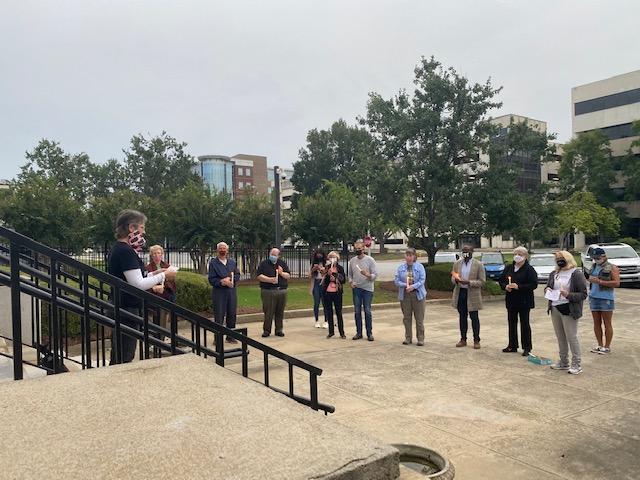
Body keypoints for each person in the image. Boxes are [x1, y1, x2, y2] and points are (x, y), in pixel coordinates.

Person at [108, 209, 177, 364]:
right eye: (142, 228)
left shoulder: (121, 249)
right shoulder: (125, 251)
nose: (144, 232)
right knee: (124, 355)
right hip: (126, 308)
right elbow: (137, 284)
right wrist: (164, 276)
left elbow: (139, 277)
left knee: (122, 353)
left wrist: (157, 273)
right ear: (131, 228)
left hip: (123, 306)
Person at [545, 250, 588, 375]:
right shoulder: (554, 273)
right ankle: (563, 361)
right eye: (557, 258)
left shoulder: (576, 273)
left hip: (569, 308)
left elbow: (583, 294)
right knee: (560, 337)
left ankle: (577, 364)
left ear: (568, 258)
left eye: (561, 257)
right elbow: (549, 286)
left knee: (571, 337)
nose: (559, 260)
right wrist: (547, 289)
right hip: (555, 307)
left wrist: (568, 295)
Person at [499, 246, 538, 356]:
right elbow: (501, 280)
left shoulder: (529, 269)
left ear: (525, 256)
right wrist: (505, 286)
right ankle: (512, 345)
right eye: (515, 254)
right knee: (511, 322)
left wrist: (519, 286)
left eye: (520, 254)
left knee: (524, 323)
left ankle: (527, 347)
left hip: (524, 300)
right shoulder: (509, 268)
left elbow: (533, 284)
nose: (517, 256)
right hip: (511, 300)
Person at [586, 247, 620, 355]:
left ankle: (607, 346)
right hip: (593, 297)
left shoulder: (612, 267)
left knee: (607, 323)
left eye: (598, 258)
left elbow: (616, 283)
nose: (596, 260)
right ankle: (600, 345)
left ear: (604, 256)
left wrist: (600, 281)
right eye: (594, 258)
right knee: (596, 323)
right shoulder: (593, 266)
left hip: (606, 298)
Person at [451, 244, 485, 349]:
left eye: (468, 251)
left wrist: (469, 282)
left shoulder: (478, 264)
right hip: (461, 292)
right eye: (464, 251)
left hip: (472, 294)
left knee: (474, 318)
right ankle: (463, 339)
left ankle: (476, 340)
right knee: (462, 317)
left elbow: (482, 281)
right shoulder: (457, 264)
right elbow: (453, 278)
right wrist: (455, 280)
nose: (465, 253)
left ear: (472, 252)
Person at [208, 242, 241, 344]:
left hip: (231, 292)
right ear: (217, 251)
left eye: (224, 249)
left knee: (232, 314)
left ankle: (230, 336)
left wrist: (231, 280)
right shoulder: (213, 263)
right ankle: (217, 338)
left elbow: (237, 275)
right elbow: (211, 279)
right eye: (220, 249)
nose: (222, 250)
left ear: (227, 251)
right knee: (219, 315)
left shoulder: (232, 262)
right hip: (219, 293)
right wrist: (222, 282)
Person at [394, 248, 427, 346]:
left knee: (419, 318)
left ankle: (420, 338)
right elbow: (396, 281)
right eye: (407, 255)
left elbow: (422, 280)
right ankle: (408, 337)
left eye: (411, 255)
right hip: (405, 295)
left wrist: (413, 286)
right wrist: (405, 285)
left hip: (418, 295)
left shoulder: (420, 267)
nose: (408, 257)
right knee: (407, 318)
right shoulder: (400, 268)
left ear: (414, 256)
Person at [257, 248, 291, 337]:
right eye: (272, 254)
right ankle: (267, 330)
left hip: (281, 290)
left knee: (280, 311)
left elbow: (288, 276)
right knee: (268, 312)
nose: (273, 256)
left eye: (275, 255)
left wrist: (281, 273)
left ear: (278, 256)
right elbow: (259, 276)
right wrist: (269, 280)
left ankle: (279, 330)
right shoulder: (264, 263)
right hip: (268, 291)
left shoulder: (282, 263)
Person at [146, 245, 177, 341]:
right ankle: (156, 341)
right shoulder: (148, 267)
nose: (156, 255)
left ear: (162, 254)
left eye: (158, 253)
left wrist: (166, 284)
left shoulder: (167, 266)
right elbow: (144, 281)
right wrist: (154, 288)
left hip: (166, 296)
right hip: (154, 298)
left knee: (166, 319)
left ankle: (167, 340)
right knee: (156, 320)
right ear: (151, 255)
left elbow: (173, 282)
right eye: (154, 253)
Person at [348, 240, 377, 341]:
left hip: (368, 289)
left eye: (359, 249)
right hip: (357, 289)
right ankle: (359, 332)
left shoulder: (370, 260)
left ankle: (369, 333)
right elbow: (350, 275)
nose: (357, 250)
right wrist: (351, 282)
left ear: (363, 248)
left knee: (367, 311)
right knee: (357, 311)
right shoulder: (352, 261)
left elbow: (375, 275)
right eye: (356, 249)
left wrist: (368, 275)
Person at [321, 251, 346, 339]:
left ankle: (342, 332)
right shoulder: (327, 268)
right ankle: (331, 332)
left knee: (339, 312)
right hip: (327, 293)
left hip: (337, 293)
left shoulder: (340, 268)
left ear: (337, 259)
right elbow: (323, 281)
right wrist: (327, 275)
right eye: (330, 257)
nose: (332, 259)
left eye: (334, 257)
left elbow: (343, 280)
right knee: (329, 312)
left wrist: (335, 277)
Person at [310, 249, 327, 329]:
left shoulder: (326, 263)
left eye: (321, 254)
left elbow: (326, 274)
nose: (319, 256)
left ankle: (326, 321)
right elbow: (309, 276)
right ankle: (316, 320)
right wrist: (313, 269)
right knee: (316, 302)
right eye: (318, 254)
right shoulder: (313, 263)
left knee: (325, 303)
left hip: (324, 283)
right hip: (316, 283)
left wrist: (322, 270)